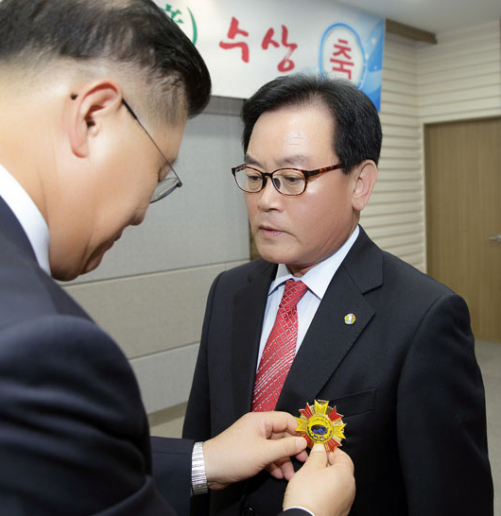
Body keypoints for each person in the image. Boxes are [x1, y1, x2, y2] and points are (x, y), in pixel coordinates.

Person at [0, 0, 355, 516]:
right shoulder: (29, 347)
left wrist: (201, 460)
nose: (142, 211)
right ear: (93, 116)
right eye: (158, 170)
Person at [183, 73, 494, 515]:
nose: (266, 200)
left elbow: (452, 499)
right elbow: (201, 442)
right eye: (255, 175)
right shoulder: (230, 291)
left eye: (291, 177)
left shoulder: (424, 318)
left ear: (359, 184)